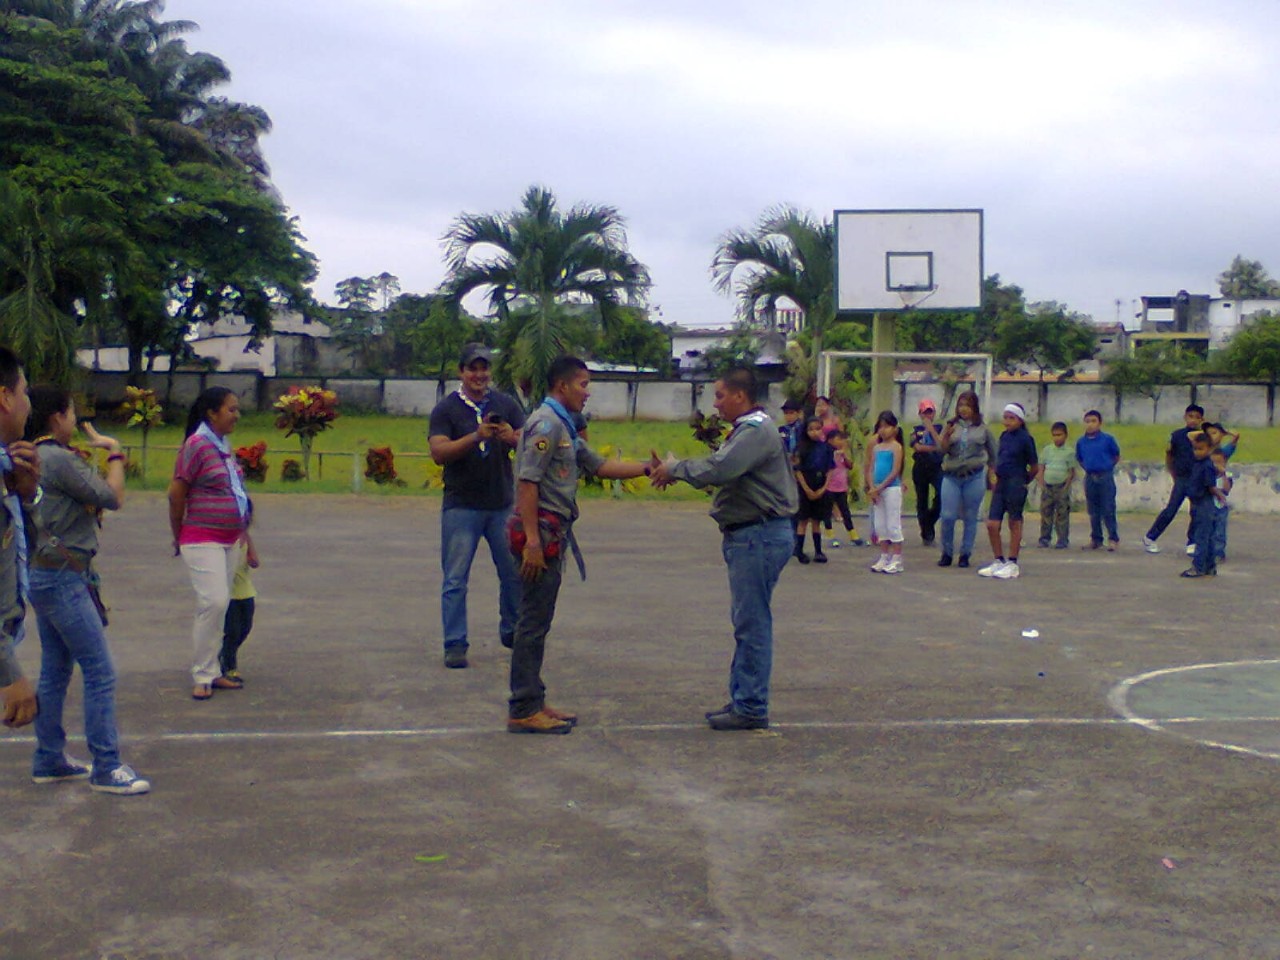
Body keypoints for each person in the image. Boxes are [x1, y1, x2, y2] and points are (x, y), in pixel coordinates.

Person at [507, 356, 654, 734]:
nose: (587, 393)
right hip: (541, 533)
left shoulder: (565, 426)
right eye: (583, 385)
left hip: (552, 532)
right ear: (562, 385)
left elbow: (599, 466)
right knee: (532, 622)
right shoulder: (547, 424)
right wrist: (533, 541)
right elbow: (528, 482)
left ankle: (534, 698)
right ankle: (523, 706)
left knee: (539, 620)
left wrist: (649, 468)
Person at [650, 367, 797, 730]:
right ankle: (743, 697)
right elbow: (724, 472)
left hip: (758, 534)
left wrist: (675, 468)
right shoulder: (750, 429)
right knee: (747, 620)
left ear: (740, 396)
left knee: (752, 622)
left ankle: (751, 705)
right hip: (752, 533)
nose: (715, 404)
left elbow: (721, 468)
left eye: (720, 396)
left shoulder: (755, 431)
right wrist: (680, 471)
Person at [24, 386, 149, 795]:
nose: (75, 421)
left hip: (43, 572)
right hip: (63, 576)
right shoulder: (57, 458)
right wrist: (114, 454)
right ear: (56, 417)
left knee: (55, 669)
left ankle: (49, 758)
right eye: (72, 413)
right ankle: (106, 765)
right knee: (99, 670)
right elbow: (112, 497)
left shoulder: (31, 455)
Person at [428, 343, 526, 669]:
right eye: (473, 368)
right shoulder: (447, 409)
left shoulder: (505, 404)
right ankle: (455, 643)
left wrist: (509, 436)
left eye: (484, 368)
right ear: (461, 372)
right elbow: (439, 452)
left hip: (501, 503)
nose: (479, 375)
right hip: (461, 505)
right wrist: (476, 436)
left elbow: (529, 441)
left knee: (513, 573)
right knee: (455, 579)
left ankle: (512, 629)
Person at [168, 387, 251, 701]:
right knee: (213, 602)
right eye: (231, 409)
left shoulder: (222, 446)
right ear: (212, 413)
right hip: (202, 538)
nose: (236, 415)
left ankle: (213, 670)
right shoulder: (197, 445)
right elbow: (176, 493)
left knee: (222, 604)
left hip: (230, 539)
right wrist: (178, 533)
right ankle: (202, 674)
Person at [0, 347, 38, 732]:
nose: (29, 404)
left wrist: (25, 495)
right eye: (24, 392)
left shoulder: (6, 466)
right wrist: (7, 669)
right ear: (5, 397)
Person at [937, 391, 996, 569]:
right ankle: (947, 552)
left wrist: (992, 474)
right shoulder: (951, 426)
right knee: (948, 515)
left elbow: (993, 453)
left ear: (974, 408)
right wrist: (946, 436)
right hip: (952, 475)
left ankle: (965, 553)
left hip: (974, 476)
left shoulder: (982, 429)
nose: (964, 409)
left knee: (970, 516)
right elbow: (941, 450)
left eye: (968, 405)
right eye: (961, 405)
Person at [978, 403, 1037, 580]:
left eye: (1012, 418)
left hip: (1016, 483)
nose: (1007, 421)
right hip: (1001, 483)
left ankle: (1012, 562)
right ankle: (998, 559)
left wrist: (1024, 480)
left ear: (1020, 420)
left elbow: (1034, 466)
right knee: (992, 523)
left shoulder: (1026, 439)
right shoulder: (1004, 436)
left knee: (1014, 522)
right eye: (1005, 417)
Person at [1142, 404, 1205, 555]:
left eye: (1197, 417)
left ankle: (1192, 542)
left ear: (1201, 419)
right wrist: (1173, 472)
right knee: (1171, 509)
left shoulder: (1204, 436)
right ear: (1185, 417)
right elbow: (1169, 454)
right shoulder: (1177, 435)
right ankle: (1150, 537)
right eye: (1190, 416)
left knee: (1196, 511)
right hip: (1182, 478)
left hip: (1197, 479)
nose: (1193, 420)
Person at [219, 505, 259, 682]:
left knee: (245, 628)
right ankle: (229, 665)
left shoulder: (246, 536)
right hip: (230, 593)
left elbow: (254, 560)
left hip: (246, 590)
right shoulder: (224, 538)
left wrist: (252, 559)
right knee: (232, 631)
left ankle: (223, 654)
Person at [865, 411, 905, 574]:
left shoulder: (896, 447)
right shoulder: (876, 448)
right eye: (880, 427)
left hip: (891, 489)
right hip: (877, 491)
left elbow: (895, 471)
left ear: (894, 428)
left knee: (892, 523)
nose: (883, 430)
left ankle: (897, 558)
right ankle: (884, 556)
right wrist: (871, 487)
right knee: (880, 524)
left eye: (887, 426)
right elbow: (871, 469)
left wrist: (880, 487)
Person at [1180, 431, 1224, 578]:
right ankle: (1210, 567)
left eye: (1201, 449)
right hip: (1197, 502)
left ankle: (1198, 567)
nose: (1197, 452)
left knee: (1202, 537)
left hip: (1204, 503)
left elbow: (1211, 486)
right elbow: (1190, 436)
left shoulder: (1207, 465)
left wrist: (1219, 495)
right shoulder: (1198, 463)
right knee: (1207, 536)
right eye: (1195, 449)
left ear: (1209, 449)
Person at [1075, 410, 1121, 551]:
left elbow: (1116, 455)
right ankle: (1096, 539)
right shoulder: (1081, 442)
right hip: (1090, 477)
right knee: (1093, 511)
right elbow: (1080, 458)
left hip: (1105, 476)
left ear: (1100, 423)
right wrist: (1089, 468)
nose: (1090, 424)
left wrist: (1106, 467)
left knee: (1108, 509)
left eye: (1093, 421)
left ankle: (1113, 539)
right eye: (1087, 421)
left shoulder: (1108, 439)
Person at [792, 417, 833, 564]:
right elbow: (798, 471)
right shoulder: (800, 448)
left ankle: (818, 551)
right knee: (803, 520)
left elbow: (830, 469)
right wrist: (806, 489)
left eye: (818, 429)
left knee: (817, 520)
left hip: (820, 482)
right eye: (811, 429)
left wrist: (823, 488)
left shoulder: (826, 448)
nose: (815, 432)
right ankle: (799, 550)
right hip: (805, 484)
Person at [909, 398, 944, 545]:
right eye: (925, 413)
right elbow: (917, 447)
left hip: (936, 467)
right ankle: (926, 532)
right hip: (920, 466)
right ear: (920, 414)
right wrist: (933, 447)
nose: (928, 416)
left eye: (930, 412)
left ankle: (930, 520)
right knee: (922, 499)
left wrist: (931, 429)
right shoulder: (916, 430)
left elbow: (941, 444)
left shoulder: (939, 428)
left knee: (942, 495)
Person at [1202, 421, 1239, 562]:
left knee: (1219, 529)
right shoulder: (1203, 451)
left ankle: (1218, 552)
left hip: (1220, 503)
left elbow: (1236, 437)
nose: (1212, 436)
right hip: (1206, 501)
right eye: (1209, 434)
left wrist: (1225, 432)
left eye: (1215, 433)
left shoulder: (1223, 452)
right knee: (1205, 528)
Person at [1036, 421, 1076, 549]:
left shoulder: (1069, 452)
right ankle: (1045, 538)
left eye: (1059, 435)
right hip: (1048, 486)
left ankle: (1062, 539)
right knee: (1046, 513)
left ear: (1065, 435)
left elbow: (1071, 471)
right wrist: (1041, 483)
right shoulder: (1047, 450)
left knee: (1062, 514)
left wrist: (1066, 486)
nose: (1057, 438)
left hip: (1062, 486)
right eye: (1054, 435)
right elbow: (1041, 467)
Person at [825, 431, 865, 548]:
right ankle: (830, 536)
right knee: (827, 512)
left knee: (845, 512)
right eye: (838, 439)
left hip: (841, 488)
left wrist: (844, 455)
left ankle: (853, 535)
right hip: (829, 487)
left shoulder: (842, 453)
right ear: (830, 440)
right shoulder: (827, 452)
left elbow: (850, 465)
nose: (841, 442)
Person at [1208, 442, 1233, 564]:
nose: (1216, 465)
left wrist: (1223, 474)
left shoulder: (1227, 476)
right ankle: (1206, 551)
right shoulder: (1208, 474)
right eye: (1214, 462)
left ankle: (1219, 553)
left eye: (1219, 462)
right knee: (1207, 530)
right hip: (1208, 506)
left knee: (1219, 531)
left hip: (1220, 507)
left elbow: (1226, 490)